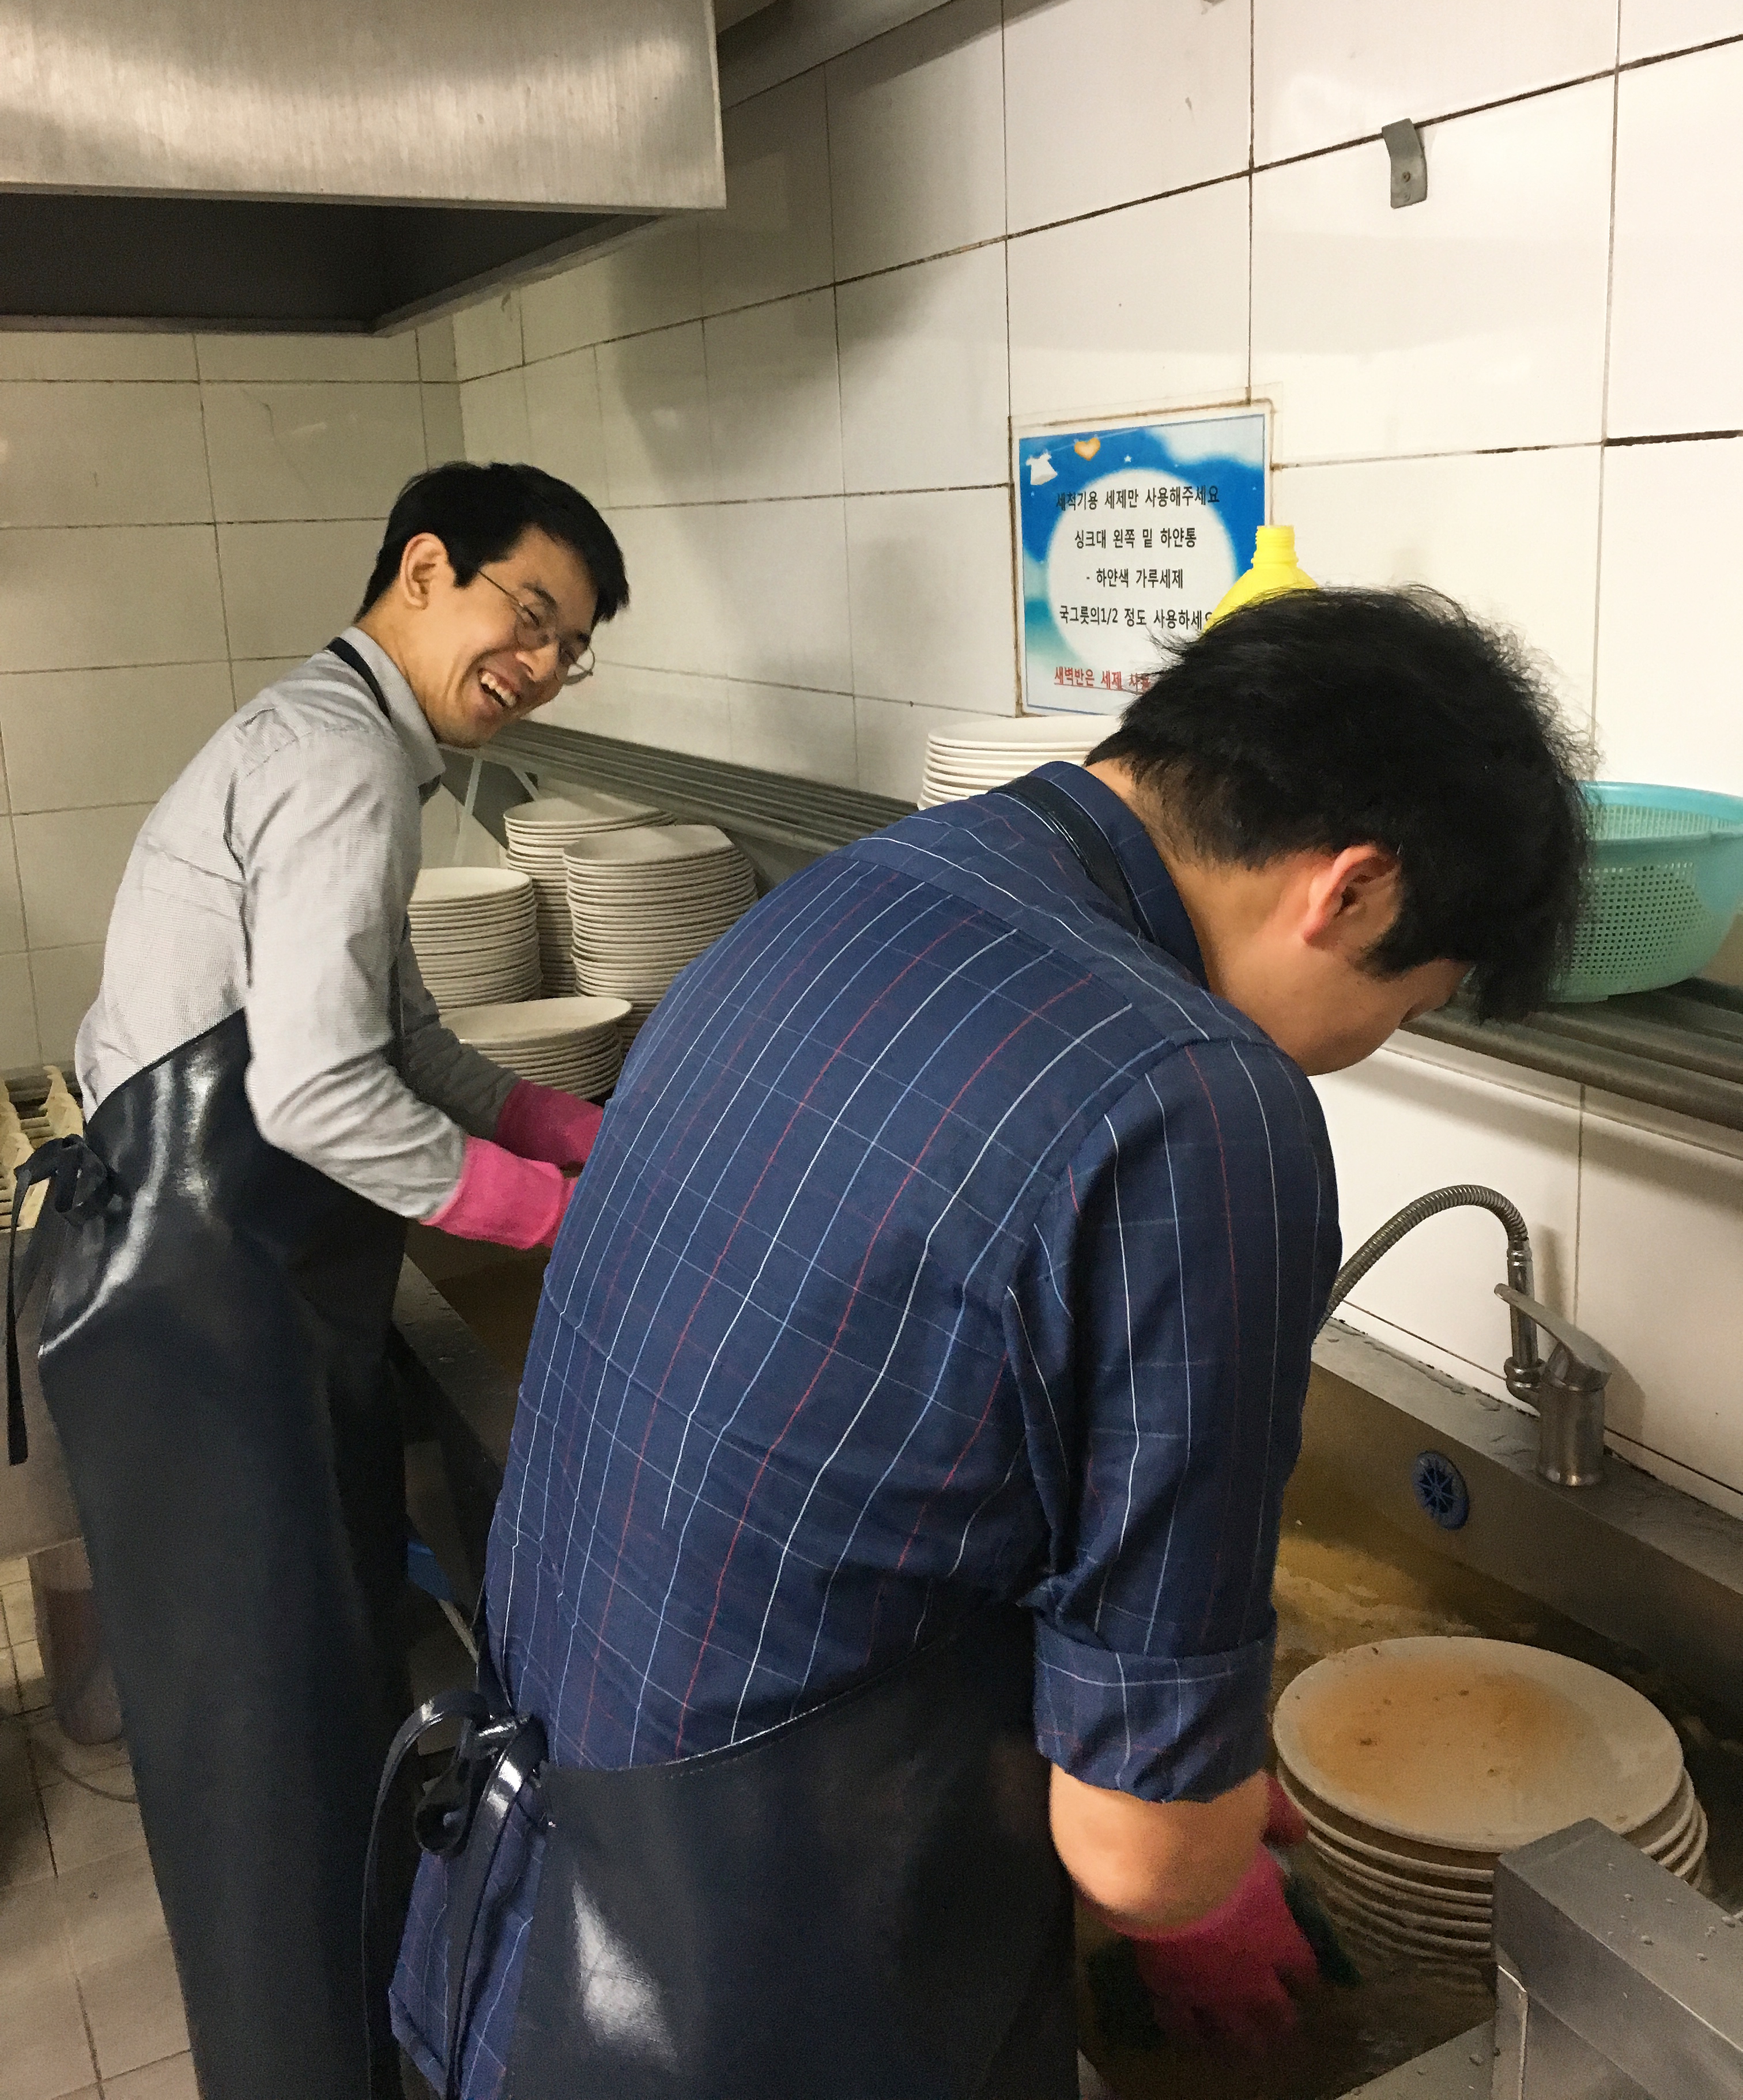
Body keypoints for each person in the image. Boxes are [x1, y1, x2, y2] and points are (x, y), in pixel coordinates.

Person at [391, 587, 1589, 2099]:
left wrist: (1177, 1750)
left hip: (529, 1909)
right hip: (783, 1996)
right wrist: (1197, 1856)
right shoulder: (1200, 1101)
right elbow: (1142, 1859)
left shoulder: (865, 886)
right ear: (1350, 893)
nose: (1367, 1046)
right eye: (1406, 1007)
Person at [10, 462, 628, 2100]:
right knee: (270, 1752)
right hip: (200, 1311)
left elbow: (396, 1035)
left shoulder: (332, 735)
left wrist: (574, 1129)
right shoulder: (346, 762)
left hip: (201, 1298)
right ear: (425, 569)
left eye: (570, 649)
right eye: (529, 616)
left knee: (277, 1727)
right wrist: (547, 1218)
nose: (541, 666)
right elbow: (316, 1096)